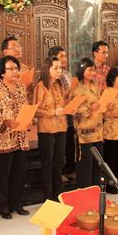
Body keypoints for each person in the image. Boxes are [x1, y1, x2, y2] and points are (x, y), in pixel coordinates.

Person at [0, 56, 30, 219]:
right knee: (2, 174)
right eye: (10, 69)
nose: (15, 72)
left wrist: (28, 120)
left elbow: (26, 107)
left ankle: (16, 203)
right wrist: (5, 122)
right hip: (3, 138)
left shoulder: (21, 87)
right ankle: (2, 206)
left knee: (18, 173)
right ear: (1, 72)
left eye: (16, 68)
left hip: (20, 136)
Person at [34, 56, 67, 201]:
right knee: (47, 163)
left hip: (61, 127)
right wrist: (53, 112)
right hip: (46, 129)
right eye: (55, 68)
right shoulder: (41, 86)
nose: (59, 70)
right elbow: (35, 109)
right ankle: (48, 195)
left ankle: (59, 193)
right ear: (47, 69)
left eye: (60, 68)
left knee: (59, 162)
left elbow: (63, 103)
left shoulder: (60, 85)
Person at [71, 58, 104, 188]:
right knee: (85, 165)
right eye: (89, 70)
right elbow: (74, 110)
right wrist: (90, 109)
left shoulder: (95, 87)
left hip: (98, 131)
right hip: (84, 133)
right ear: (82, 70)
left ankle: (96, 192)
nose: (92, 73)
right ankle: (84, 193)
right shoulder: (77, 89)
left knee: (97, 164)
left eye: (93, 70)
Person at [48, 46, 75, 180]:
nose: (65, 59)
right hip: (55, 115)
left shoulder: (68, 74)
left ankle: (69, 169)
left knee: (69, 142)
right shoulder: (48, 77)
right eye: (61, 56)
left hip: (68, 114)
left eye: (65, 56)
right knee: (57, 149)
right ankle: (58, 174)